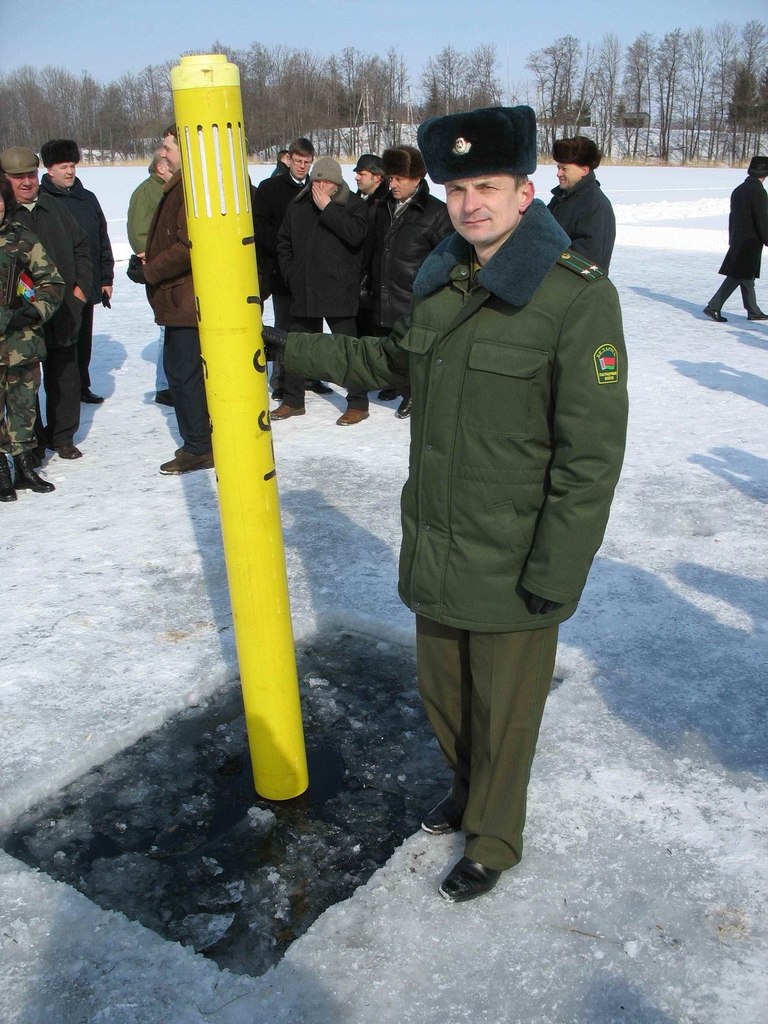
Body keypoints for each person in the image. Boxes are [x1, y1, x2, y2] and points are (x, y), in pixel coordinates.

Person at [263, 106, 628, 902]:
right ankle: (468, 792)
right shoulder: (443, 282)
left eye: (489, 186)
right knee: (446, 696)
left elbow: (591, 455)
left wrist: (556, 569)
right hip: (437, 539)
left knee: (504, 713)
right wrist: (292, 346)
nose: (472, 204)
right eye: (458, 188)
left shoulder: (573, 299)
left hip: (515, 554)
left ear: (525, 192)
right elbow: (394, 358)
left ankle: (494, 836)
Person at [0, 146, 92, 461]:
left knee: (65, 372)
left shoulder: (55, 207)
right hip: (22, 316)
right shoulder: (5, 215)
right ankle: (31, 442)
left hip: (63, 306)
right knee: (24, 381)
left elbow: (82, 246)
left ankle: (63, 436)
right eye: (18, 177)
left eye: (30, 174)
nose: (26, 182)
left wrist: (81, 288)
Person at [136, 126, 213, 474]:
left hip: (185, 299)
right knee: (183, 373)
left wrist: (151, 271)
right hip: (180, 297)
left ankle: (199, 446)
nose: (162, 153)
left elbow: (188, 245)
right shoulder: (185, 183)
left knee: (183, 373)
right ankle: (200, 440)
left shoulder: (191, 186)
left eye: (167, 147)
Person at [273, 157, 369, 426]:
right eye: (316, 180)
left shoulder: (354, 206)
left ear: (337, 184)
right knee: (297, 347)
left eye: (325, 181)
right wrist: (291, 274)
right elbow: (284, 243)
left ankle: (358, 403)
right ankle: (292, 401)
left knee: (347, 350)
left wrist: (327, 208)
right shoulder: (298, 205)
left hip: (339, 289)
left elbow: (355, 235)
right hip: (304, 289)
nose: (319, 186)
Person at [363, 145, 452, 419]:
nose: (394, 184)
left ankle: (415, 394)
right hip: (384, 290)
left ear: (417, 179)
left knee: (415, 351)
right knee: (392, 346)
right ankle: (398, 385)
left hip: (413, 295)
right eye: (391, 178)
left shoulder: (436, 212)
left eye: (400, 179)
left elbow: (448, 257)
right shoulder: (383, 207)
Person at [0, 174, 64, 500]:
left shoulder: (23, 238)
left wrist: (36, 311)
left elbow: (52, 281)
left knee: (24, 405)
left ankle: (24, 467)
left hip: (21, 343)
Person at [39, 139, 114, 405]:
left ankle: (82, 386)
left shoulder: (88, 198)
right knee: (62, 345)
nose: (69, 171)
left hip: (89, 280)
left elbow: (101, 239)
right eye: (63, 167)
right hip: (57, 288)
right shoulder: (42, 202)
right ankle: (62, 395)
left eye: (72, 165)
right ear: (50, 170)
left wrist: (106, 278)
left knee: (83, 340)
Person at [252, 137, 321, 400]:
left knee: (312, 326)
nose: (302, 166)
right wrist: (285, 249)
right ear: (288, 159)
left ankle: (311, 375)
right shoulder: (270, 188)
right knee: (285, 326)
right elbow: (260, 227)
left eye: (307, 162)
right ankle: (281, 379)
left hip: (312, 272)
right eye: (298, 161)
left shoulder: (317, 188)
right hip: (281, 270)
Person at [127, 151, 174, 405]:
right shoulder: (146, 193)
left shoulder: (170, 190)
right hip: (161, 270)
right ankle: (164, 386)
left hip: (173, 268)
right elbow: (138, 235)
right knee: (167, 327)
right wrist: (152, 262)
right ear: (160, 166)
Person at [704, 155, 768, 323]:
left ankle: (753, 310)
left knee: (746, 276)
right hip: (750, 242)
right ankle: (713, 306)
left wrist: (732, 238)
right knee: (738, 275)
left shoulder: (739, 189)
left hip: (739, 239)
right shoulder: (759, 192)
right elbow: (762, 219)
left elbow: (733, 218)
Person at [548, 136, 616, 273]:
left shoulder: (595, 205)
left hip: (575, 289)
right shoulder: (560, 198)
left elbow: (587, 258)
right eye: (558, 167)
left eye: (564, 169)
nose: (558, 173)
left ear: (584, 170)